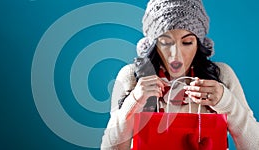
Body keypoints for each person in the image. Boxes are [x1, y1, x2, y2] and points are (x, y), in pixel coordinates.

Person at [101, 0, 259, 149]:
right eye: (165, 42)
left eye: (187, 42)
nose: (176, 55)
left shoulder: (221, 75)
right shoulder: (132, 76)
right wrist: (134, 101)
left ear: (199, 44)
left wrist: (228, 103)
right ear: (153, 45)